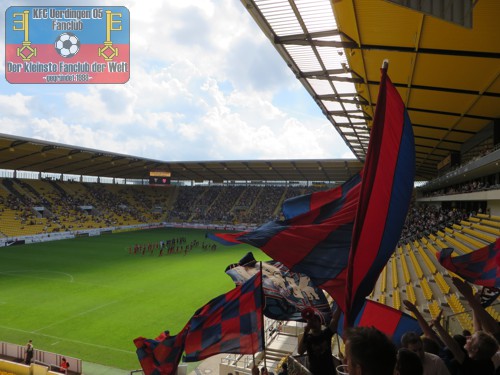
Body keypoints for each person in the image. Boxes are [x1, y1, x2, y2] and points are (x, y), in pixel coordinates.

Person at [432, 315, 498, 375]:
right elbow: (477, 330)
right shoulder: (485, 358)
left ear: (475, 349)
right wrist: (473, 307)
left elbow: (454, 347)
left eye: (471, 339)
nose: (467, 337)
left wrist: (438, 325)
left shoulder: (471, 366)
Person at [297, 306, 341, 375]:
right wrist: (305, 332)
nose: (312, 322)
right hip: (314, 372)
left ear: (320, 323)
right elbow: (300, 351)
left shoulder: (326, 333)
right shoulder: (308, 338)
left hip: (329, 371)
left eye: (314, 320)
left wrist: (339, 307)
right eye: (310, 321)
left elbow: (334, 320)